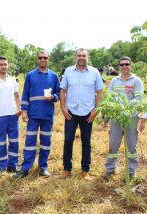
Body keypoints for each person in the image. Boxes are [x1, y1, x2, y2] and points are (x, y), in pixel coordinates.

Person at [59, 48, 104, 180]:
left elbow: (100, 93)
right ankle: (67, 169)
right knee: (68, 140)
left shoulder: (94, 72)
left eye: (84, 55)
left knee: (86, 142)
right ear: (75, 57)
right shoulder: (68, 71)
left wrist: (96, 109)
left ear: (87, 57)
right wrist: (63, 108)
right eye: (79, 55)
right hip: (71, 112)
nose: (81, 57)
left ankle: (85, 170)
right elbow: (62, 90)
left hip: (88, 113)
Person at [14, 50, 60, 178]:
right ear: (37, 59)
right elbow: (25, 94)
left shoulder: (54, 76)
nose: (43, 59)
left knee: (46, 142)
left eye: (45, 57)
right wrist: (24, 111)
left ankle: (43, 167)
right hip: (33, 115)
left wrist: (53, 97)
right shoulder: (30, 75)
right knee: (30, 142)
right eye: (40, 57)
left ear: (48, 59)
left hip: (47, 115)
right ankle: (25, 168)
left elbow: (59, 94)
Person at [102, 56, 143, 180]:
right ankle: (110, 169)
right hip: (116, 118)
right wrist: (107, 114)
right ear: (119, 67)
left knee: (131, 145)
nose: (124, 66)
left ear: (131, 65)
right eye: (122, 65)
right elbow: (109, 98)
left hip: (131, 117)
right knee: (113, 144)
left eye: (127, 64)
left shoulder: (136, 81)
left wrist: (125, 110)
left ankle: (131, 171)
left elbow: (138, 99)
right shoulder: (114, 81)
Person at [0, 56, 21, 175]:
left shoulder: (13, 80)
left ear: (8, 65)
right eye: (1, 64)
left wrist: (19, 109)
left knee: (14, 142)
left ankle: (13, 165)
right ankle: (1, 167)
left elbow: (17, 95)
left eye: (5, 64)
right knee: (0, 142)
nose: (3, 66)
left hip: (13, 116)